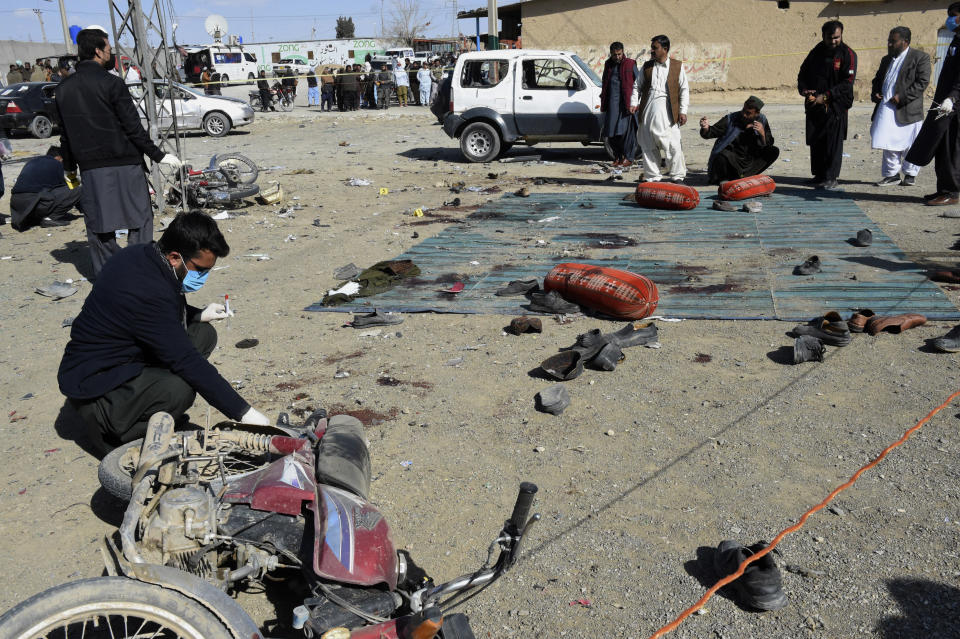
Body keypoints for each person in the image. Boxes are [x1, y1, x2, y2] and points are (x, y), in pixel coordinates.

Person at [58, 212, 272, 456]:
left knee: (203, 334)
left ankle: (144, 399)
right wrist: (247, 415)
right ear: (174, 257)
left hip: (122, 355)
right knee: (179, 388)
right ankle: (120, 430)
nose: (203, 276)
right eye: (200, 269)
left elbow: (154, 315)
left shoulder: (143, 255)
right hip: (97, 384)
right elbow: (185, 359)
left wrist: (196, 314)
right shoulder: (147, 290)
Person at [55, 26, 182, 276]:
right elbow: (133, 129)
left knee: (99, 227)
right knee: (141, 220)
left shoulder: (63, 89)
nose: (110, 54)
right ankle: (139, 271)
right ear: (98, 52)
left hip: (91, 169)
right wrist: (158, 155)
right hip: (125, 164)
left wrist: (69, 168)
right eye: (109, 49)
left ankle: (110, 276)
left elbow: (65, 137)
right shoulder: (112, 84)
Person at [906, 3, 960, 206]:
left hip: (954, 108)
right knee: (938, 147)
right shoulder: (956, 40)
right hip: (944, 104)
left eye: (954, 16)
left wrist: (952, 98)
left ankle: (952, 193)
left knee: (950, 149)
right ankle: (942, 189)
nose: (950, 19)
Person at [798, 20, 857, 191]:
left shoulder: (848, 54)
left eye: (836, 38)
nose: (833, 41)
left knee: (833, 142)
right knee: (817, 139)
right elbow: (803, 72)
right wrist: (804, 90)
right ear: (823, 36)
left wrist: (826, 97)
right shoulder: (816, 52)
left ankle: (831, 177)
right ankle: (819, 175)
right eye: (830, 38)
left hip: (836, 105)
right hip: (814, 104)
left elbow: (848, 83)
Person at [869, 27, 930, 188]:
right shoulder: (886, 59)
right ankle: (891, 175)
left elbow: (922, 83)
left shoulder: (920, 57)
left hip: (908, 109)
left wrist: (901, 97)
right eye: (889, 41)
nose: (889, 44)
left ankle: (910, 174)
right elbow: (877, 80)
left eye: (893, 41)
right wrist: (875, 92)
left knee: (910, 143)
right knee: (887, 142)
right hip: (887, 108)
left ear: (905, 42)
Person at [630, 35, 689, 182]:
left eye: (655, 48)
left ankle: (677, 176)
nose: (652, 51)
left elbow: (684, 90)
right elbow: (637, 86)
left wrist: (683, 111)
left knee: (673, 145)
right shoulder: (647, 66)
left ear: (665, 49)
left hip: (668, 113)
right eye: (652, 47)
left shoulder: (677, 66)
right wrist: (633, 103)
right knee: (648, 146)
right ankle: (652, 176)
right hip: (648, 111)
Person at [699, 96, 780, 184]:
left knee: (773, 151)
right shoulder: (731, 118)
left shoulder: (762, 120)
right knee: (722, 155)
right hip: (730, 159)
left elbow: (768, 143)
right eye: (743, 110)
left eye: (748, 113)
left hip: (748, 160)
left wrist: (762, 133)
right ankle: (724, 178)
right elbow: (712, 132)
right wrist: (705, 128)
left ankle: (745, 176)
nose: (744, 114)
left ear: (757, 113)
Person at [9, 145, 82, 231]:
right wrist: (84, 208)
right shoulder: (57, 164)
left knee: (49, 191)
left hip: (17, 205)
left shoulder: (31, 162)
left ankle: (35, 218)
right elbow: (72, 188)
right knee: (78, 189)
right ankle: (50, 218)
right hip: (32, 201)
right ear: (59, 158)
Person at [601, 42, 640, 168]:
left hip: (626, 104)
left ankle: (628, 157)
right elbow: (605, 82)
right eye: (614, 55)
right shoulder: (608, 64)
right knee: (611, 133)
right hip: (612, 104)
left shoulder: (630, 63)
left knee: (625, 132)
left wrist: (635, 102)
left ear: (623, 52)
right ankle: (618, 157)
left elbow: (638, 83)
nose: (617, 57)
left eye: (619, 54)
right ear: (611, 54)